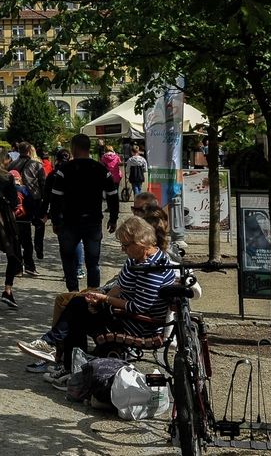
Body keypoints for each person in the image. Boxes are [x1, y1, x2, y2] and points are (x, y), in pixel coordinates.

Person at [17, 216, 177, 388]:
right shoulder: (137, 259)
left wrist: (106, 300)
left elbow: (139, 307)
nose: (123, 250)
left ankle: (57, 351)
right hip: (127, 315)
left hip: (140, 324)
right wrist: (99, 301)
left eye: (126, 245)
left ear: (140, 242)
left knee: (77, 309)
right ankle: (62, 357)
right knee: (79, 304)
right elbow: (120, 286)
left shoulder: (151, 268)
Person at [48, 133, 120, 293]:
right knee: (93, 261)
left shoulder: (64, 170)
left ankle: (72, 292)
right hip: (93, 221)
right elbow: (112, 195)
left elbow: (56, 197)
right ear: (89, 148)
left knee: (68, 258)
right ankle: (92, 293)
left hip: (69, 221)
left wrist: (55, 220)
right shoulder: (100, 169)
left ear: (73, 148)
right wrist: (113, 218)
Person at [0, 148, 22, 309]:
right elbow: (14, 202)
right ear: (3, 160)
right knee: (13, 253)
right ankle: (8, 289)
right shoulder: (8, 177)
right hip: (6, 218)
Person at [10, 142, 45, 273]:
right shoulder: (36, 165)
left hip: (16, 202)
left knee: (18, 235)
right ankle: (31, 262)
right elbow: (43, 183)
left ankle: (18, 265)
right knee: (31, 232)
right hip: (32, 201)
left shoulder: (12, 164)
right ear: (30, 150)